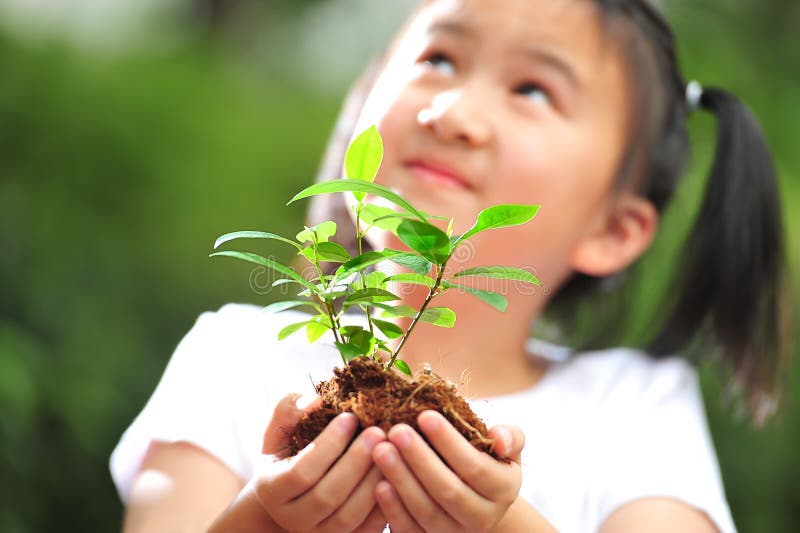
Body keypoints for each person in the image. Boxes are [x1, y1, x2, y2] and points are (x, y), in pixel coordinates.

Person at [111, 0, 789, 531]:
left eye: (533, 90)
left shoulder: (633, 408)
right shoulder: (234, 356)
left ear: (613, 229)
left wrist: (499, 523)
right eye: (437, 58)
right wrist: (268, 520)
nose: (452, 112)